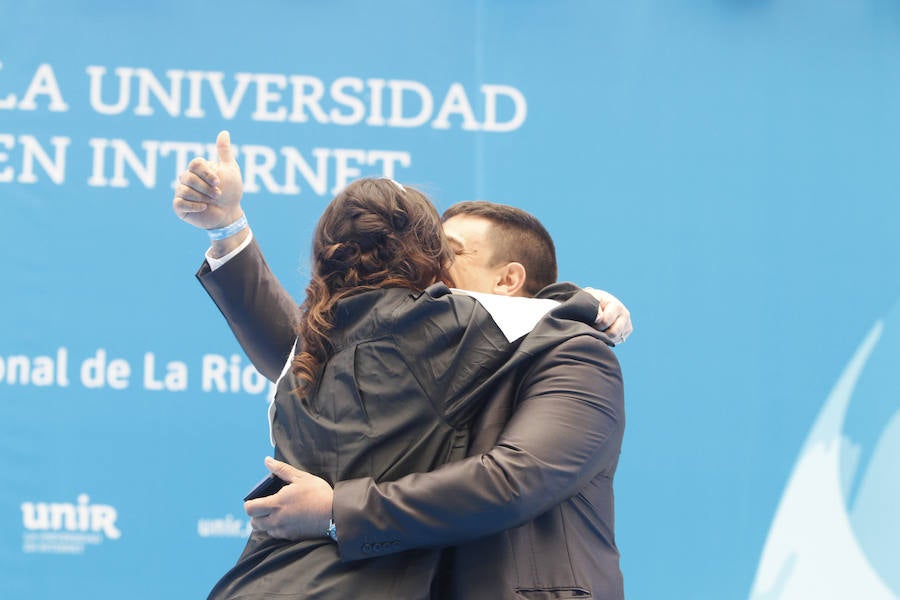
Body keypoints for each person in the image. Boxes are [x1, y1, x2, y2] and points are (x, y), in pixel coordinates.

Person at [174, 131, 625, 599]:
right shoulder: (417, 343)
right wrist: (226, 229)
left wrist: (335, 511)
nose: (432, 266)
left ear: (508, 278)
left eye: (448, 251)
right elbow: (319, 345)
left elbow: (517, 478)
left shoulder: (573, 350)